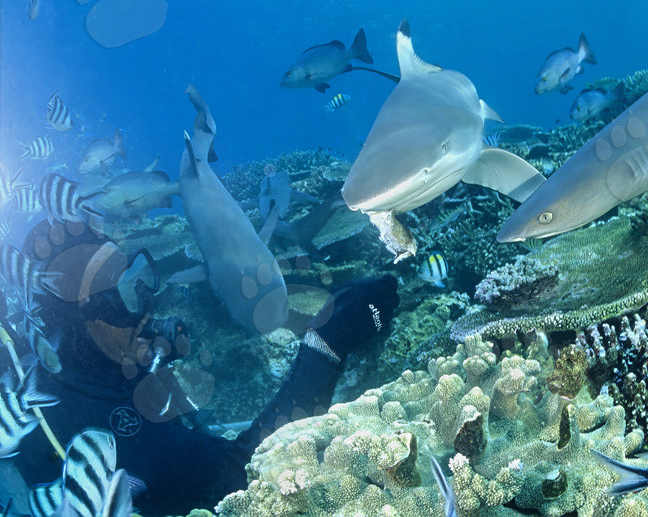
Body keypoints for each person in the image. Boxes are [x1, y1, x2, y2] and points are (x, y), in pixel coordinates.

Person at [5, 217, 399, 516]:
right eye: (124, 297)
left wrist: (155, 351)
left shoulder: (72, 367)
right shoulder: (101, 427)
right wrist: (328, 341)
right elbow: (244, 475)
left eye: (138, 281)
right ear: (81, 321)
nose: (144, 308)